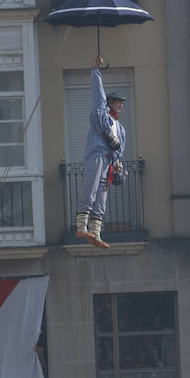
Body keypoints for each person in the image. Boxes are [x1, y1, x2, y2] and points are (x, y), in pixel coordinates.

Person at [75, 57, 127, 249]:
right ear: (111, 102)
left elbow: (119, 150)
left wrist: (119, 164)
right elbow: (98, 94)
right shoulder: (101, 115)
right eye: (118, 102)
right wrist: (95, 70)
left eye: (122, 103)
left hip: (109, 163)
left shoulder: (120, 128)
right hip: (96, 156)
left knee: (102, 198)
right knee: (90, 188)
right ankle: (81, 225)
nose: (121, 105)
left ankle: (95, 233)